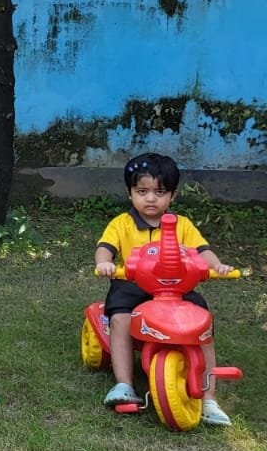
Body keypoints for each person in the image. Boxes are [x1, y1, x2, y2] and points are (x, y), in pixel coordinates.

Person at [95, 152, 235, 424]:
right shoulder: (122, 224)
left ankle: (209, 399)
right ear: (130, 193)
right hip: (133, 286)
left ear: (173, 196)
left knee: (202, 324)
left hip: (176, 290)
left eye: (159, 192)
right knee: (121, 318)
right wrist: (105, 263)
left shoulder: (182, 226)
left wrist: (216, 265)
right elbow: (105, 247)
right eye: (142, 191)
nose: (151, 199)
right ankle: (124, 384)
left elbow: (202, 251)